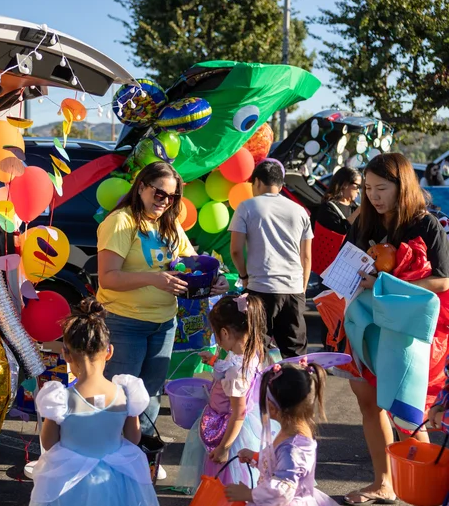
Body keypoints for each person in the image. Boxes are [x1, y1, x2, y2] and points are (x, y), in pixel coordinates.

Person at [97, 161, 229, 478]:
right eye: (159, 193)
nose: (164, 201)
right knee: (120, 397)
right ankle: (108, 464)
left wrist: (214, 279)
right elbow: (107, 278)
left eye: (171, 197)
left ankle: (139, 460)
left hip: (163, 323)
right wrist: (154, 280)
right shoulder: (121, 222)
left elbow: (190, 264)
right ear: (141, 187)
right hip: (123, 322)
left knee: (151, 395)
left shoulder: (168, 225)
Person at [344, 152, 449, 506]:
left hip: (407, 329)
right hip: (367, 323)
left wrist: (386, 282)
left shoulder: (426, 224)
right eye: (368, 188)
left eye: (381, 188)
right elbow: (349, 266)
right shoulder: (364, 223)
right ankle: (383, 483)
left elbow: (444, 280)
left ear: (401, 186)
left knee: (406, 408)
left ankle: (424, 493)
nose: (373, 196)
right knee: (367, 400)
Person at [29, 298, 160, 506]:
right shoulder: (126, 393)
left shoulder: (60, 399)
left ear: (66, 354)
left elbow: (49, 443)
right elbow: (134, 438)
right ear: (109, 351)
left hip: (71, 480)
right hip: (115, 476)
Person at [176, 294, 276, 492]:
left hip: (229, 430)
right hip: (241, 424)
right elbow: (233, 367)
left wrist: (224, 448)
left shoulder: (235, 373)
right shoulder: (251, 351)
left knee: (224, 479)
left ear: (224, 332)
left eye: (216, 334)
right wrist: (214, 362)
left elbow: (238, 411)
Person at [224, 361, 337, 506]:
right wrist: (257, 457)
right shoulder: (292, 432)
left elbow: (282, 491)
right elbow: (281, 465)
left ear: (271, 407)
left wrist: (248, 494)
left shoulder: (294, 447)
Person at [230, 160, 313, 358]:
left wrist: (244, 276)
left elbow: (235, 250)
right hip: (293, 289)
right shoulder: (300, 210)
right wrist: (302, 288)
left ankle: (259, 389)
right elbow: (307, 256)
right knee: (296, 356)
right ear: (281, 184)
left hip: (261, 288)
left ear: (257, 182)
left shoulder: (247, 207)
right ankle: (298, 388)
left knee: (256, 352)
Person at [316, 167, 362, 236]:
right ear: (345, 184)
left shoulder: (354, 207)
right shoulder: (328, 208)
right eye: (357, 186)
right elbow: (339, 233)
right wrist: (359, 211)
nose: (358, 191)